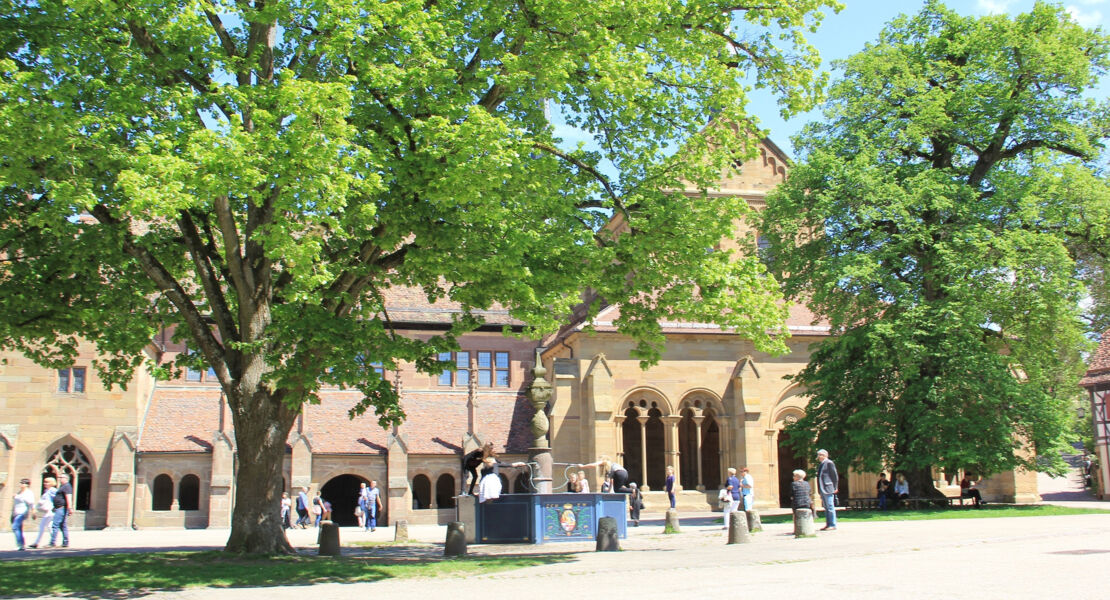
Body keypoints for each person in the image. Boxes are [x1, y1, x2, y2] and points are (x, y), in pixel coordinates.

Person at [28, 477, 57, 549]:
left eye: (47, 482)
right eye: (45, 482)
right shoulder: (47, 490)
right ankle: (53, 542)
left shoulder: (52, 490)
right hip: (48, 511)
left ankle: (37, 543)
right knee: (49, 526)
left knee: (42, 526)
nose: (45, 483)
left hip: (50, 511)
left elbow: (57, 499)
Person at [816, 449, 838, 531]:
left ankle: (832, 524)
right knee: (826, 507)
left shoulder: (829, 463)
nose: (819, 457)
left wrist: (835, 487)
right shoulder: (821, 464)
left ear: (825, 455)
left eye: (821, 455)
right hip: (823, 488)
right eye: (818, 455)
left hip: (828, 488)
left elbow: (834, 476)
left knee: (830, 506)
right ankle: (828, 524)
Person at [11, 478, 35, 551]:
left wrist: (33, 512)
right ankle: (22, 545)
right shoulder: (19, 492)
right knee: (19, 528)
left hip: (22, 512)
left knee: (15, 527)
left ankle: (20, 544)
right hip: (16, 512)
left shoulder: (28, 493)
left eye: (23, 483)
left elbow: (31, 503)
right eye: (21, 482)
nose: (21, 484)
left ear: (27, 484)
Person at [49, 473, 72, 547]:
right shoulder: (63, 486)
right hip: (59, 508)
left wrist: (70, 508)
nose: (60, 478)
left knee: (55, 525)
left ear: (66, 478)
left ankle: (52, 542)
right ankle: (65, 542)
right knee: (62, 526)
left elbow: (68, 497)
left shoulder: (67, 486)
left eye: (61, 477)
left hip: (61, 508)